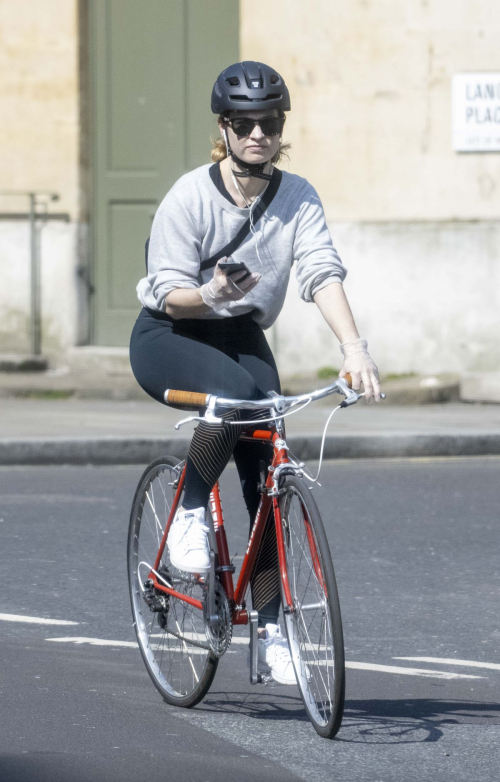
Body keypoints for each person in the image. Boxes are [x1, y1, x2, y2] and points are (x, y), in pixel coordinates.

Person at [130, 61, 380, 684]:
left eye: (269, 123)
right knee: (239, 395)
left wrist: (354, 348)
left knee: (268, 466)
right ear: (225, 127)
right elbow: (165, 291)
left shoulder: (297, 197)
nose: (258, 135)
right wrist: (210, 293)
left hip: (239, 334)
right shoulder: (189, 196)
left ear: (280, 127)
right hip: (171, 331)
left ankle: (270, 630)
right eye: (245, 124)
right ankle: (189, 506)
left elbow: (321, 270)